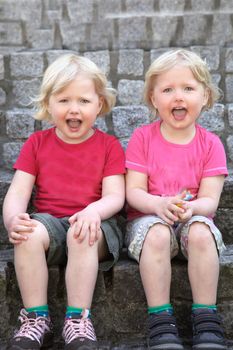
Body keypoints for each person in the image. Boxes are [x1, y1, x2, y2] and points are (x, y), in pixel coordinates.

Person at [3, 53, 125, 350]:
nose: (74, 109)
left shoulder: (109, 146)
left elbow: (115, 196)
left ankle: (77, 320)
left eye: (83, 101)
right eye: (64, 100)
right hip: (50, 224)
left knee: (80, 232)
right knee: (28, 234)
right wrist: (13, 219)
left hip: (97, 226)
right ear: (48, 104)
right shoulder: (37, 143)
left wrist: (92, 212)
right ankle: (36, 319)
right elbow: (18, 192)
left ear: (99, 105)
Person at [125, 49, 228, 350]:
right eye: (167, 89)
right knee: (157, 234)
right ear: (153, 99)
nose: (178, 97)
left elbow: (210, 201)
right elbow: (133, 192)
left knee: (200, 231)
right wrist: (158, 205)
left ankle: (206, 317)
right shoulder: (142, 138)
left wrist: (191, 209)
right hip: (147, 220)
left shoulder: (211, 144)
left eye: (188, 88)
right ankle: (160, 320)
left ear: (206, 96)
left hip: (191, 220)